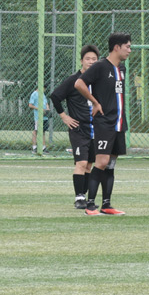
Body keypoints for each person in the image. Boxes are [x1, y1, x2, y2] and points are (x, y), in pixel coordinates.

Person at [75, 32, 134, 215]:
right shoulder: (100, 66)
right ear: (117, 47)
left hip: (119, 123)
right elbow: (79, 84)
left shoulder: (122, 69)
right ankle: (90, 205)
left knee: (111, 164)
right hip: (104, 123)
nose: (129, 50)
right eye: (127, 47)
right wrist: (95, 102)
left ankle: (106, 204)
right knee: (101, 161)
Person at [50, 45, 101, 209]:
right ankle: (79, 198)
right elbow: (55, 96)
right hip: (78, 128)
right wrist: (64, 116)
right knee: (81, 163)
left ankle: (84, 197)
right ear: (81, 61)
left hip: (95, 129)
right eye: (88, 59)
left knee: (89, 165)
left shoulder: (98, 80)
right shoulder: (74, 80)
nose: (91, 62)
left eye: (94, 59)